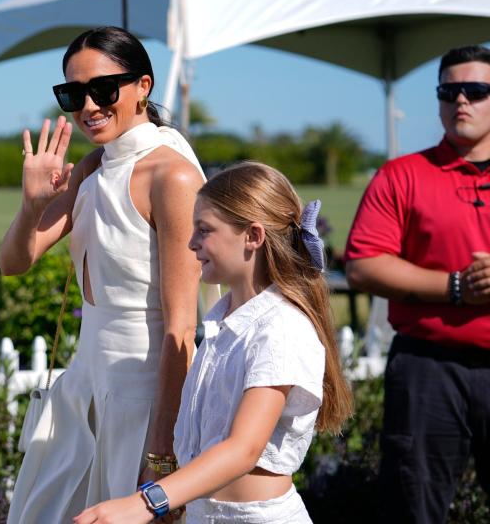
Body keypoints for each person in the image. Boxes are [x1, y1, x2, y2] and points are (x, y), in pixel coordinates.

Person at [0, 26, 207, 522]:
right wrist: (31, 208)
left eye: (103, 90)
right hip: (83, 386)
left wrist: (162, 456)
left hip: (143, 398)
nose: (88, 106)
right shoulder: (93, 165)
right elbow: (13, 262)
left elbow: (181, 327)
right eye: (73, 93)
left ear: (143, 87)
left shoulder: (171, 175)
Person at [76, 162, 353, 524]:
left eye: (204, 230)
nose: (191, 243)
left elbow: (243, 449)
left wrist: (145, 503)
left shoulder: (281, 328)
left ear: (253, 236)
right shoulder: (223, 323)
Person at [344, 45, 490, 523]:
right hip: (429, 365)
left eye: (476, 91)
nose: (461, 101)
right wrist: (455, 287)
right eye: (449, 92)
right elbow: (364, 264)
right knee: (412, 507)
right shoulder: (402, 175)